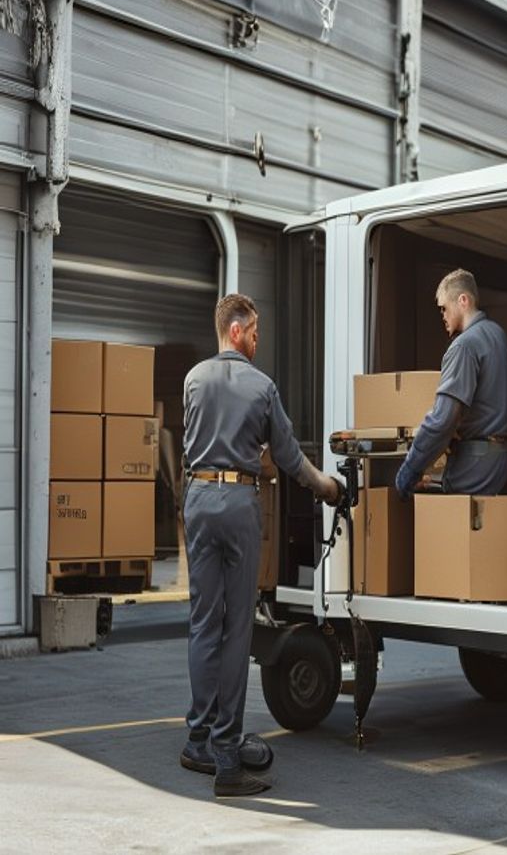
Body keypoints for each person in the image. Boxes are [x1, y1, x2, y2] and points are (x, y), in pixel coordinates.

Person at [180, 293, 342, 798]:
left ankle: (199, 738)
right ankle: (229, 757)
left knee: (204, 621)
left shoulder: (193, 380)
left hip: (197, 497)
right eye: (253, 332)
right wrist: (329, 488)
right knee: (236, 628)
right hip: (237, 504)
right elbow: (291, 459)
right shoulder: (262, 386)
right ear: (235, 330)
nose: (256, 340)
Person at [395, 268, 507, 499]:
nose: (443, 315)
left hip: (475, 461)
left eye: (444, 308)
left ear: (463, 300)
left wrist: (410, 468)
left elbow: (442, 419)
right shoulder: (498, 334)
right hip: (500, 459)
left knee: (449, 530)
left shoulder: (464, 346)